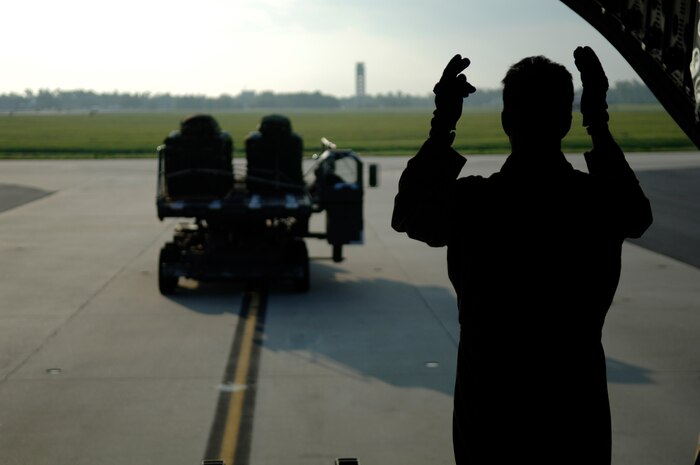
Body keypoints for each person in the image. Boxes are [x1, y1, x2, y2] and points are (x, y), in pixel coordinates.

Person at [392, 47, 652, 464]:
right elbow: (637, 215)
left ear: (506, 120)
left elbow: (408, 213)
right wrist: (598, 120)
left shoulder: (474, 203)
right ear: (567, 122)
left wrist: (444, 123)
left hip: (491, 409)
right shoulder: (595, 203)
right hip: (574, 407)